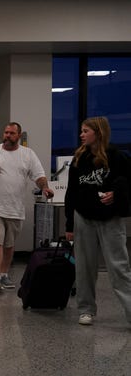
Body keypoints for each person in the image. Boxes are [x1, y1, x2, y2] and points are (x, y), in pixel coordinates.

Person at [64, 116, 131, 326]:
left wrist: (117, 194)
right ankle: (86, 310)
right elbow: (71, 192)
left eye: (86, 131)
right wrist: (68, 224)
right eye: (81, 131)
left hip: (110, 218)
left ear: (98, 132)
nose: (81, 134)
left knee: (119, 267)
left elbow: (128, 182)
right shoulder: (78, 159)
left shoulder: (116, 156)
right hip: (83, 217)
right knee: (84, 267)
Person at [0, 122, 54, 293]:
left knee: (9, 244)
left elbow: (39, 176)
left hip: (15, 208)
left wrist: (45, 187)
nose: (7, 135)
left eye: (11, 133)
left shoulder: (27, 154)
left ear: (19, 135)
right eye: (6, 132)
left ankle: (4, 273)